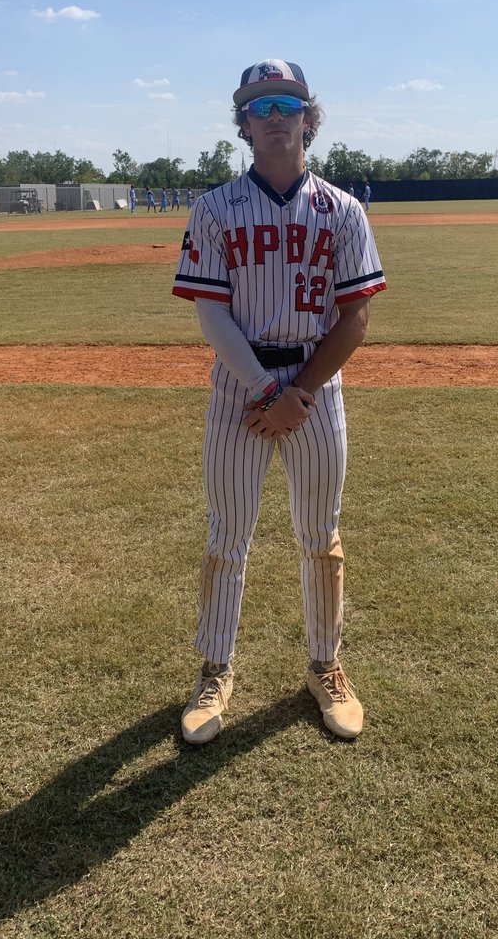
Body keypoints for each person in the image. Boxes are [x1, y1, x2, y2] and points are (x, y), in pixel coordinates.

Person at [172, 59, 386, 745]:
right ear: (243, 123)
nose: (272, 116)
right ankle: (215, 671)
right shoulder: (215, 208)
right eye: (258, 106)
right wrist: (269, 392)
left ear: (308, 117)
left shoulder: (342, 210)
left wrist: (298, 393)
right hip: (242, 388)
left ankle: (326, 665)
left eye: (285, 104)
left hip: (315, 388)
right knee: (226, 536)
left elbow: (355, 317)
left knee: (320, 535)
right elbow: (211, 312)